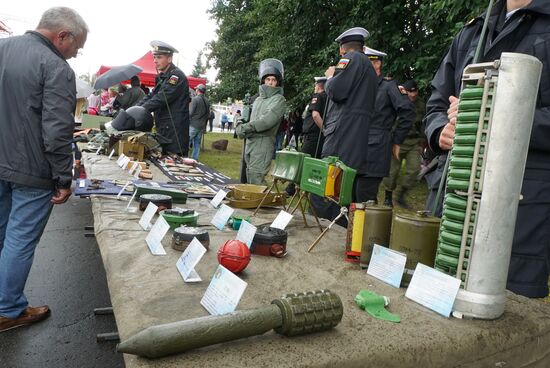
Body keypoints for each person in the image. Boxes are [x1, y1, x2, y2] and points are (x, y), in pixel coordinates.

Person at [424, 0, 550, 298]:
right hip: (454, 196)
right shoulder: (473, 30)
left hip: (520, 209)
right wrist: (439, 130)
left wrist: (495, 115)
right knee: (438, 305)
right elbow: (437, 102)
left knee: (507, 320)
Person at [0, 6, 88, 332]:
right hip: (31, 170)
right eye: (76, 47)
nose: (75, 55)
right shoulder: (55, 66)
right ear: (62, 35)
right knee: (19, 240)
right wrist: (64, 177)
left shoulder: (2, 49)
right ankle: (8, 309)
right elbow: (56, 130)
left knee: (3, 235)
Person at [321, 27, 378, 203]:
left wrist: (330, 77)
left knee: (331, 189)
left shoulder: (350, 59)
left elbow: (337, 91)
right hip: (356, 136)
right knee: (346, 191)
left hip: (341, 134)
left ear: (342, 49)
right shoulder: (368, 67)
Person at [362, 47, 415, 203]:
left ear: (377, 64)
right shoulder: (363, 85)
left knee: (367, 196)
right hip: (359, 147)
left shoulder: (388, 86)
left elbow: (407, 112)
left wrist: (397, 140)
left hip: (376, 148)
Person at [236, 58, 287, 185]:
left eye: (273, 80)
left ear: (277, 82)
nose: (270, 82)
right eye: (268, 79)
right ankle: (252, 202)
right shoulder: (258, 99)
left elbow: (266, 121)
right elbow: (250, 118)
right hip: (250, 142)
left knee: (256, 177)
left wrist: (245, 128)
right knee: (249, 176)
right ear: (263, 80)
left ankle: (262, 203)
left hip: (263, 142)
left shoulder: (279, 100)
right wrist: (239, 122)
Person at [137, 40, 190, 156]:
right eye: (154, 57)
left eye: (159, 57)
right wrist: (136, 109)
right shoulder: (164, 76)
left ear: (169, 59)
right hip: (164, 130)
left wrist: (140, 111)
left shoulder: (176, 77)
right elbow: (152, 95)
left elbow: (161, 98)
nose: (155, 61)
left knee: (173, 166)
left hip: (174, 134)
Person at [382, 79, 426, 208]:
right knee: (392, 171)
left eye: (415, 91)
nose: (413, 95)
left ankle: (401, 195)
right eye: (409, 92)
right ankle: (388, 197)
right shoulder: (397, 101)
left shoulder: (421, 104)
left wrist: (423, 141)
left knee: (414, 169)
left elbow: (423, 123)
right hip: (398, 141)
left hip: (414, 142)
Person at [301, 77, 328, 159]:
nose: (314, 88)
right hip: (319, 137)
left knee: (305, 161)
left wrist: (323, 130)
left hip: (313, 137)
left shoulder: (318, 96)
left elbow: (315, 115)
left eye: (315, 86)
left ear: (318, 86)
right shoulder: (327, 98)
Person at [188, 84, 211, 160]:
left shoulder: (195, 99)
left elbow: (190, 113)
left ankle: (184, 157)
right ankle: (194, 159)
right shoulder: (207, 101)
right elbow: (208, 115)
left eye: (196, 89)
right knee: (197, 144)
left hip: (193, 124)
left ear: (198, 90)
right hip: (201, 125)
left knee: (187, 141)